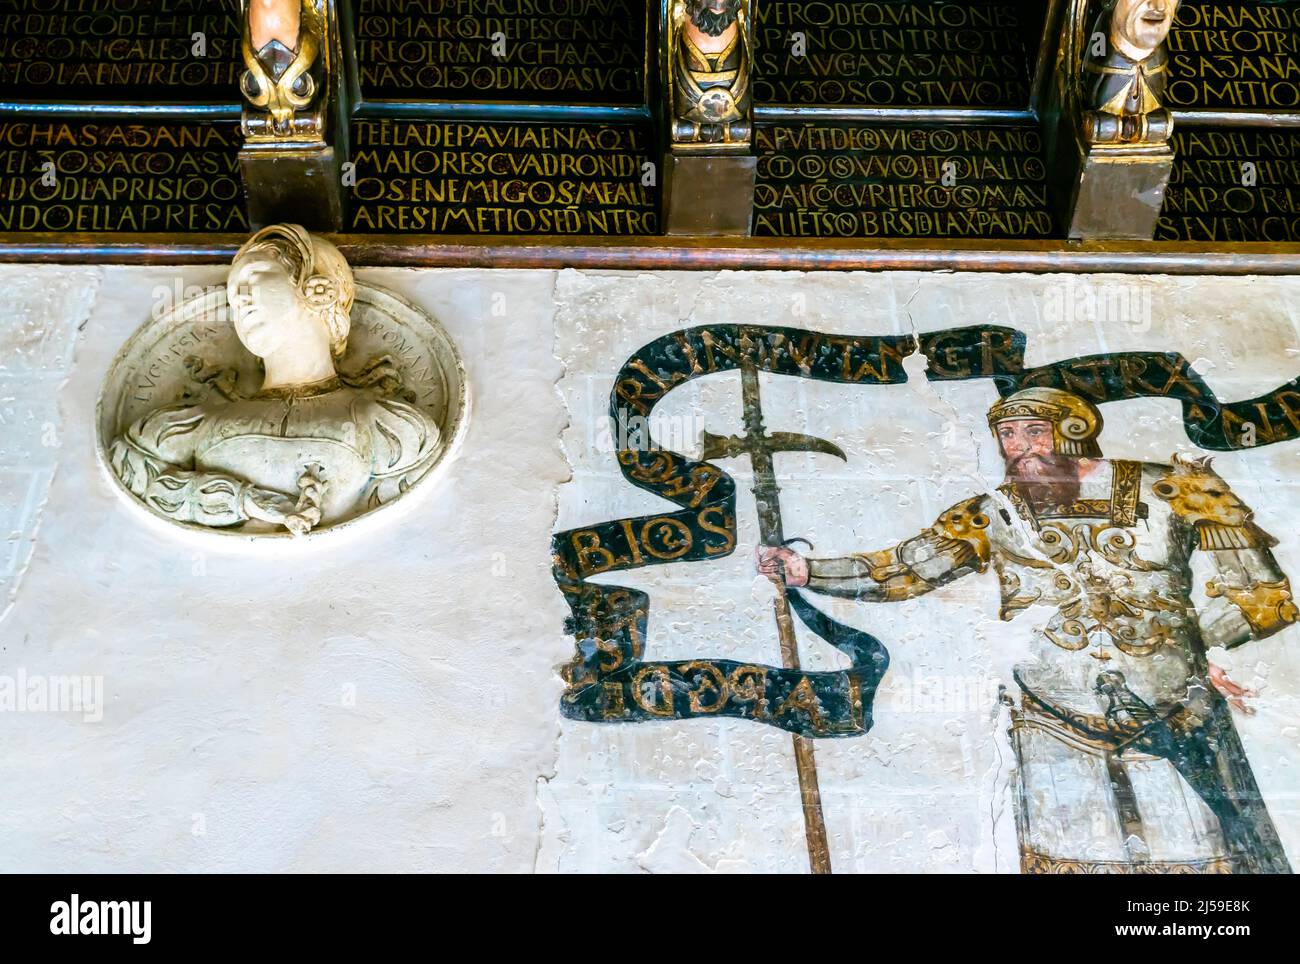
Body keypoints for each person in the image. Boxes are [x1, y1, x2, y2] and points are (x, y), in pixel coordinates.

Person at [759, 386, 1296, 872]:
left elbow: (1264, 599)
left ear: (1075, 430)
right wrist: (808, 571)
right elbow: (904, 568)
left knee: (1214, 869)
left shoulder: (1178, 488)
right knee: (1072, 860)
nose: (1020, 447)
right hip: (1055, 720)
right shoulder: (993, 512)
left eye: (1034, 431)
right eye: (1008, 436)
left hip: (1178, 713)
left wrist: (1193, 655)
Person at [109, 225, 441, 536]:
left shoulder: (389, 429)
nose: (239, 296)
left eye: (255, 277)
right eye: (234, 290)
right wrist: (244, 500)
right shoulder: (202, 424)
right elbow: (134, 471)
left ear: (315, 289)